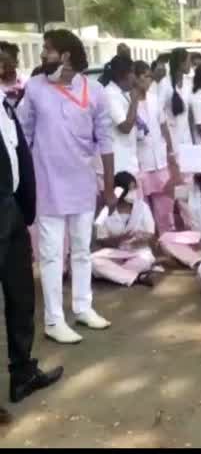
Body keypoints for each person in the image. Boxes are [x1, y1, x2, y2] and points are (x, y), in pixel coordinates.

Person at [18, 29, 114, 344]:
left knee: (82, 250)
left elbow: (106, 140)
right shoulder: (34, 88)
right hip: (47, 185)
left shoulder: (96, 90)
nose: (43, 55)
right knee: (50, 255)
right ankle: (54, 320)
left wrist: (110, 186)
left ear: (66, 55)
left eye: (48, 49)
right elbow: (22, 136)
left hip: (82, 184)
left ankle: (83, 308)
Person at [0, 85, 63, 417]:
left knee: (22, 298)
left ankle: (22, 373)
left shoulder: (6, 105)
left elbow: (16, 154)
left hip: (12, 212)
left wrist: (25, 206)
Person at [91, 171, 157, 287]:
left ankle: (114, 275)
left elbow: (151, 235)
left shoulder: (143, 207)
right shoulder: (105, 211)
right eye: (130, 190)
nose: (134, 193)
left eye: (135, 188)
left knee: (143, 261)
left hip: (138, 252)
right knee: (93, 262)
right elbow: (100, 240)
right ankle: (137, 277)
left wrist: (142, 239)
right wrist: (119, 239)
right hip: (115, 253)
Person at [135, 61, 177, 235]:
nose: (149, 80)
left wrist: (170, 153)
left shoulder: (155, 99)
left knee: (165, 211)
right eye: (145, 76)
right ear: (135, 78)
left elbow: (163, 126)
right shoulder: (128, 102)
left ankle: (168, 246)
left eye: (149, 76)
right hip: (140, 163)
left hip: (159, 162)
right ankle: (147, 248)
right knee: (142, 214)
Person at [102, 54, 140, 179]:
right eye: (133, 73)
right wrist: (134, 101)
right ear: (122, 75)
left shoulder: (123, 93)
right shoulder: (110, 94)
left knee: (134, 198)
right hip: (119, 166)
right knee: (122, 197)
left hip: (129, 161)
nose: (135, 77)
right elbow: (125, 127)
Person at [160, 48, 193, 151]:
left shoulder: (189, 83)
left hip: (187, 138)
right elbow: (159, 112)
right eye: (189, 61)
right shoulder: (164, 83)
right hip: (172, 138)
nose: (190, 64)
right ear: (181, 63)